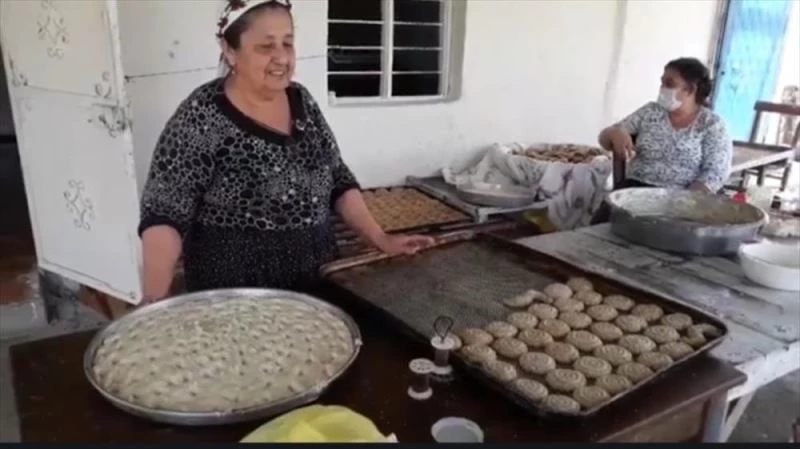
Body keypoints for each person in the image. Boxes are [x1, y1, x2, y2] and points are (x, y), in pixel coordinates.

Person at [138, 0, 433, 302]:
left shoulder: (301, 101)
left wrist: (380, 238)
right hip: (236, 298)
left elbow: (337, 178)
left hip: (317, 285)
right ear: (230, 51)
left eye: (288, 43)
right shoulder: (201, 116)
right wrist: (154, 302)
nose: (281, 58)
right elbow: (164, 213)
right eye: (266, 47)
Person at [598, 57, 733, 193]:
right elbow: (605, 139)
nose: (662, 88)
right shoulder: (650, 112)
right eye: (662, 83)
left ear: (690, 90)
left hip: (682, 196)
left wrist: (688, 200)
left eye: (669, 84)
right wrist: (613, 133)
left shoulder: (712, 124)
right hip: (637, 190)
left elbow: (716, 172)